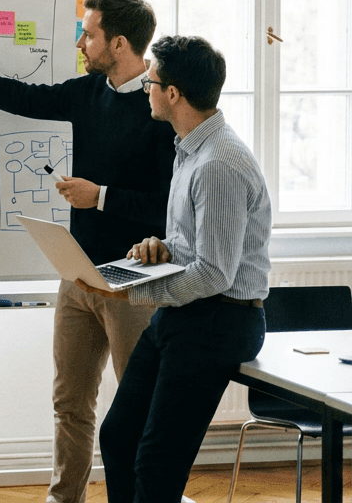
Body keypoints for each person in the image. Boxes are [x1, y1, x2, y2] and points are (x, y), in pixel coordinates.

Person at [0, 0, 176, 503]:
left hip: (133, 282)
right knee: (69, 402)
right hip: (78, 274)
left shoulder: (161, 108)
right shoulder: (88, 92)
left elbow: (169, 206)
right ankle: (63, 497)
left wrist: (101, 197)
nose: (80, 42)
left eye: (89, 34)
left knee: (138, 409)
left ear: (119, 43)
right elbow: (25, 98)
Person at [80, 35, 270, 503]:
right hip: (187, 314)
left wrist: (132, 294)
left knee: (157, 462)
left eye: (153, 81)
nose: (145, 86)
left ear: (174, 94)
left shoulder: (218, 163)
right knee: (119, 437)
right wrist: (160, 248)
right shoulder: (189, 150)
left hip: (220, 319)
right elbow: (196, 247)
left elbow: (213, 275)